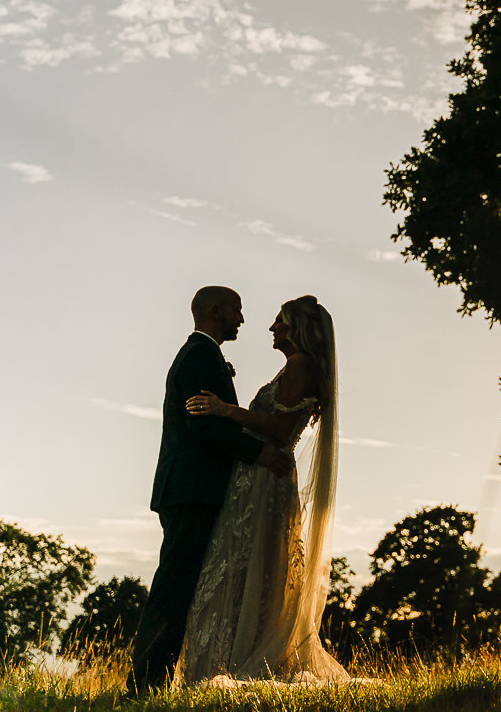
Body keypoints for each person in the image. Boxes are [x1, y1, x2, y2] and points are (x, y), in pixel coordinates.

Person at [127, 286, 294, 695]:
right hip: (190, 489)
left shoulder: (203, 354)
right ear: (216, 311)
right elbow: (203, 424)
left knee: (180, 586)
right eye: (237, 309)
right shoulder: (200, 355)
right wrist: (259, 454)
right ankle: (144, 685)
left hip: (191, 488)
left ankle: (153, 682)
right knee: (173, 589)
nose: (242, 318)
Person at [176, 295, 348, 684]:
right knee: (240, 567)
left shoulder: (302, 365)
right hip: (251, 479)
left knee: (247, 568)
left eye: (280, 323)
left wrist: (225, 410)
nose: (272, 329)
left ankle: (242, 662)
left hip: (264, 483)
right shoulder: (291, 367)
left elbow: (283, 429)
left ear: (299, 329)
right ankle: (227, 659)